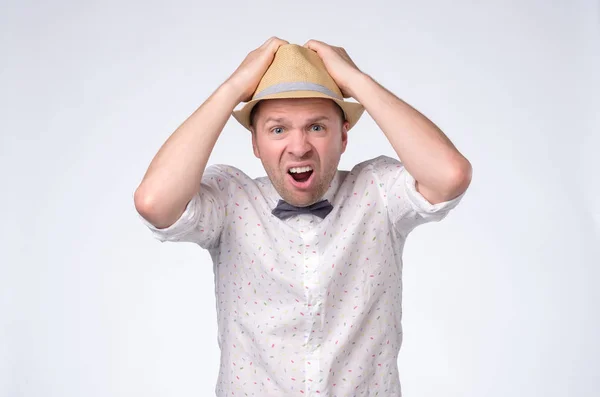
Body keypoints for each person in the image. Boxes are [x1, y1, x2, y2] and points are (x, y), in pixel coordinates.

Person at [134, 37, 472, 397]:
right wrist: (233, 87)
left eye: (317, 127)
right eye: (278, 129)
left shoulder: (378, 191)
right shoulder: (230, 199)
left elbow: (449, 176)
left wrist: (356, 80)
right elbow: (154, 202)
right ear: (255, 144)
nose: (299, 147)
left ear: (344, 136)